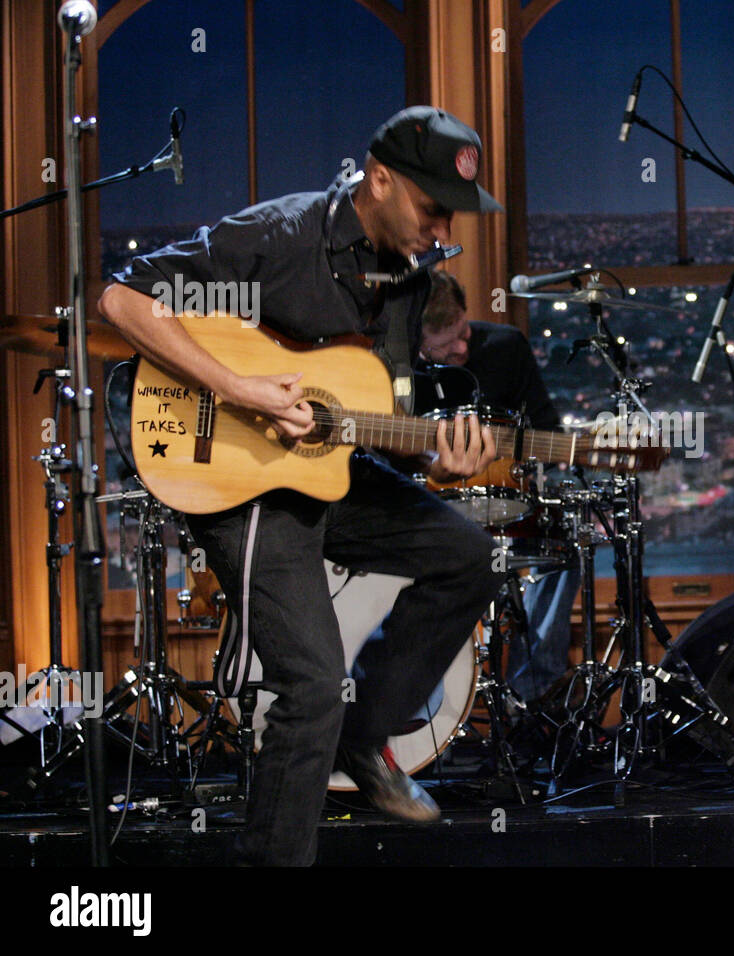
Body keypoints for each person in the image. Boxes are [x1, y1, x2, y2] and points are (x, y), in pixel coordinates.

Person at [98, 106, 508, 866]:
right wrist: (243, 390)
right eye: (429, 204)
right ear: (379, 180)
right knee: (313, 684)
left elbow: (380, 408)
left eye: (450, 210)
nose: (440, 222)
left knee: (471, 554)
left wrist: (439, 461)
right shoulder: (284, 235)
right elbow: (123, 299)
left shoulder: (412, 281)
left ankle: (367, 739)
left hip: (327, 470)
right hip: (238, 475)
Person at [414, 272, 580, 704]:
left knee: (564, 547)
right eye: (447, 346)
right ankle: (427, 707)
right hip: (431, 509)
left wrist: (511, 456)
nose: (463, 349)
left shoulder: (506, 344)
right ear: (417, 342)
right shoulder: (398, 372)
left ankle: (531, 695)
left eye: (465, 332)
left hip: (508, 501)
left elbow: (547, 429)